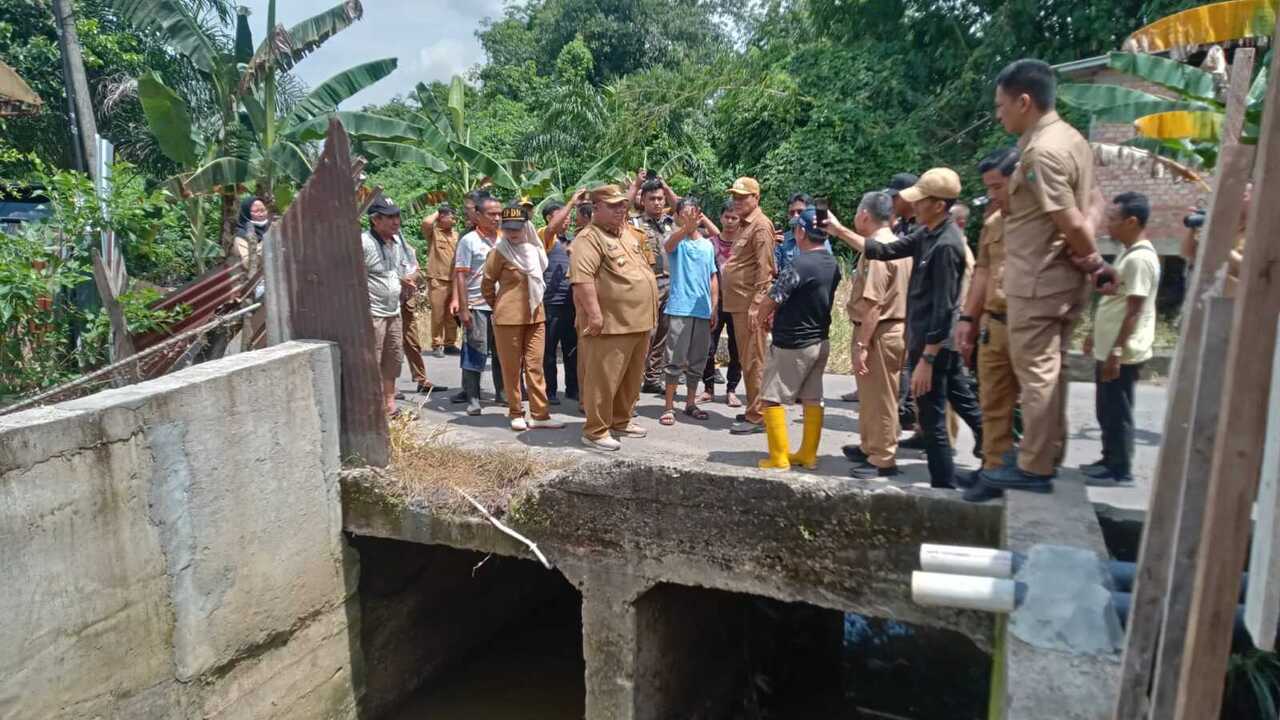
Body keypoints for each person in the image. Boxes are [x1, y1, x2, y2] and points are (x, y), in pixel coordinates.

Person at [971, 58, 1117, 499]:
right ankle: (1044, 455)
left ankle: (1034, 465)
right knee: (1050, 372)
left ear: (1024, 101)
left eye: (1001, 106)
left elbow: (1071, 220)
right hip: (1055, 280)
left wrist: (1089, 255)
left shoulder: (1041, 152)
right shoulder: (1073, 140)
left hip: (1037, 282)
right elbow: (1096, 202)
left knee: (1037, 375)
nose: (998, 114)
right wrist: (1088, 258)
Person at [825, 168, 982, 489]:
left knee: (935, 419)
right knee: (951, 409)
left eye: (919, 201)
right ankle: (982, 462)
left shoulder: (947, 245)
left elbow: (944, 308)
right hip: (920, 338)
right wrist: (839, 230)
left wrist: (926, 358)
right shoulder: (927, 234)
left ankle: (945, 482)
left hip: (935, 345)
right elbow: (881, 250)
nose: (911, 206)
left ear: (938, 205)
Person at [571, 184, 660, 451]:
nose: (621, 210)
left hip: (638, 320)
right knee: (603, 379)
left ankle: (621, 420)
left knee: (631, 378)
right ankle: (595, 431)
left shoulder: (628, 235)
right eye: (613, 206)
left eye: (623, 205)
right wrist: (594, 316)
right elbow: (582, 280)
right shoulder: (589, 238)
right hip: (610, 323)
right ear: (596, 208)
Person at [1080, 193, 1159, 486]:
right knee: (1106, 408)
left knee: (1117, 410)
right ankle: (1108, 458)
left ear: (1132, 221)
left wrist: (1116, 350)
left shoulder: (1140, 259)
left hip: (1122, 352)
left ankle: (1120, 470)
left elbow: (1134, 310)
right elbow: (1116, 298)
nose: (1107, 226)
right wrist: (1093, 334)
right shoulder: (1129, 252)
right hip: (1110, 347)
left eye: (1113, 220)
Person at [754, 206, 841, 470]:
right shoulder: (832, 263)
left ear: (802, 231)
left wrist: (760, 317)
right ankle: (808, 455)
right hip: (820, 340)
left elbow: (774, 297)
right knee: (813, 397)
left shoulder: (799, 264)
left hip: (792, 342)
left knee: (771, 396)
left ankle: (779, 457)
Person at [956, 147, 1021, 486]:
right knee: (992, 402)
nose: (993, 195)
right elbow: (982, 273)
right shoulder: (994, 223)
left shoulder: (1044, 222)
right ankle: (991, 470)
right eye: (990, 188)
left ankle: (1029, 466)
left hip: (1029, 325)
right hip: (993, 323)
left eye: (998, 186)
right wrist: (968, 320)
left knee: (1028, 405)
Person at [837, 192, 912, 479]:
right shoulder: (894, 244)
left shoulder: (879, 249)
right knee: (872, 396)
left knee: (881, 397)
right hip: (886, 328)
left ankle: (883, 458)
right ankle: (872, 446)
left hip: (880, 330)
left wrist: (861, 344)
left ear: (865, 215)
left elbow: (873, 303)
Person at [481, 203, 565, 432]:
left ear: (525, 226)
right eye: (508, 228)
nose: (513, 233)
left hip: (536, 316)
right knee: (511, 368)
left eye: (517, 228)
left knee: (535, 367)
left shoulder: (534, 250)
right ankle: (516, 412)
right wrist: (499, 307)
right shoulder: (499, 252)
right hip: (508, 319)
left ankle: (540, 414)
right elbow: (487, 284)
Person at [723, 177, 779, 435]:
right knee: (748, 359)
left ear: (756, 198)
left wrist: (758, 306)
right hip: (739, 304)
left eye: (742, 197)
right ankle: (753, 407)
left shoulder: (760, 226)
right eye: (734, 196)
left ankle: (757, 416)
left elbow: (765, 269)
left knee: (754, 359)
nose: (736, 201)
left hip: (750, 305)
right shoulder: (746, 225)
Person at [659, 197, 719, 426]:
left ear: (700, 213)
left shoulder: (706, 245)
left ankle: (690, 403)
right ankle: (668, 406)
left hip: (702, 310)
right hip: (680, 308)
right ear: (678, 216)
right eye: (684, 214)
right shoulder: (676, 240)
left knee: (697, 359)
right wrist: (686, 227)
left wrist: (714, 306)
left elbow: (713, 276)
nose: (690, 218)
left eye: (693, 213)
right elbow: (668, 246)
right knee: (674, 359)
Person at [453, 193, 506, 415]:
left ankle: (502, 393)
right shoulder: (468, 241)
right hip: (477, 305)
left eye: (499, 214)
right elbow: (461, 276)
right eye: (491, 214)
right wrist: (464, 308)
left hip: (502, 306)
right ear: (478, 215)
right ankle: (473, 398)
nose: (496, 218)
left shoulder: (506, 238)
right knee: (476, 351)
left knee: (502, 352)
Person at [361, 196, 413, 416]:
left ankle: (389, 404)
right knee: (373, 359)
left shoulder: (397, 242)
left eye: (397, 216)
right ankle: (372, 407)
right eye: (390, 217)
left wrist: (406, 281)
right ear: (376, 220)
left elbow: (400, 270)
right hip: (373, 313)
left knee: (392, 359)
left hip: (394, 311)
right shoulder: (363, 242)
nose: (396, 221)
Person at [629, 174, 679, 394]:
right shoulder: (636, 223)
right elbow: (622, 207)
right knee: (646, 333)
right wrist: (635, 185)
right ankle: (634, 379)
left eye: (660, 198)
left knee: (664, 334)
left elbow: (684, 208)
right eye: (652, 198)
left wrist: (667, 187)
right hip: (649, 283)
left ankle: (652, 378)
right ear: (643, 201)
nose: (657, 202)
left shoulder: (671, 222)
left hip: (673, 283)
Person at [538, 197, 580, 405]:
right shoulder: (544, 237)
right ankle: (550, 390)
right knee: (549, 350)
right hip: (551, 301)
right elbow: (552, 229)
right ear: (549, 218)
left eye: (569, 217)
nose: (567, 220)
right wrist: (571, 202)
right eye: (562, 216)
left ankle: (573, 389)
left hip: (572, 302)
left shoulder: (574, 239)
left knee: (572, 348)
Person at [701, 201, 743, 408]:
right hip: (715, 303)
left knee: (737, 350)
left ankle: (732, 390)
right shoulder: (710, 244)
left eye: (734, 217)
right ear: (720, 218)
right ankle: (708, 389)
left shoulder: (744, 244)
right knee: (707, 348)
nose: (730, 221)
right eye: (727, 216)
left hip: (738, 304)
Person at [396, 218, 442, 396]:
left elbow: (416, 269)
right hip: (384, 302)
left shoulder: (407, 248)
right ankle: (388, 387)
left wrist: (411, 278)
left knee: (412, 342)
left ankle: (422, 380)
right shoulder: (372, 246)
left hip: (406, 300)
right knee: (386, 346)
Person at [420, 204, 460, 357]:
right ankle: (437, 343)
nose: (454, 219)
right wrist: (439, 211)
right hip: (438, 279)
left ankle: (450, 343)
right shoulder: (434, 233)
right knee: (438, 313)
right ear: (442, 217)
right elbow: (426, 223)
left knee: (452, 314)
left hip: (454, 280)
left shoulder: (456, 235)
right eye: (451, 216)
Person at [228, 196, 270, 270]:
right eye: (256, 211)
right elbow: (248, 264)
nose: (261, 214)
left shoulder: (271, 227)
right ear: (246, 213)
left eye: (263, 210)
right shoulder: (241, 236)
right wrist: (265, 245)